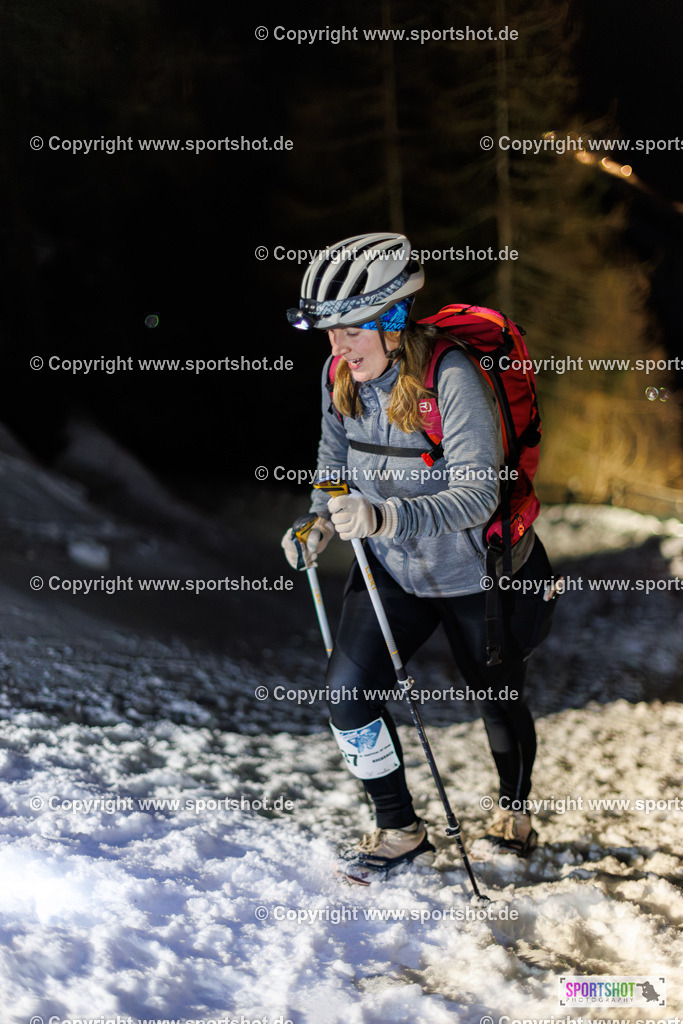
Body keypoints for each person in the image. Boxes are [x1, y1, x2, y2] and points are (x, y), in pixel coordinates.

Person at [281, 232, 554, 884]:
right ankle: (399, 827)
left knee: (495, 698)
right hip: (389, 572)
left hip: (473, 572)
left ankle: (512, 813)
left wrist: (385, 515)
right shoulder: (336, 375)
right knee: (347, 698)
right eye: (329, 332)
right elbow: (333, 465)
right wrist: (319, 521)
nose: (338, 347)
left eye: (351, 330)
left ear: (393, 321)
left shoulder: (449, 376)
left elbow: (477, 493)